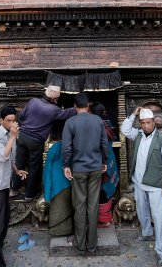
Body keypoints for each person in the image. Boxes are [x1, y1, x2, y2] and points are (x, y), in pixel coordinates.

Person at [121, 107, 162, 267]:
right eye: (143, 123)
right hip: (139, 182)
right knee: (142, 211)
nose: (146, 126)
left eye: (148, 123)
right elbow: (124, 129)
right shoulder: (138, 135)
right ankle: (147, 234)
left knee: (159, 218)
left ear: (154, 123)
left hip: (156, 184)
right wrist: (133, 114)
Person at [62, 93, 109, 256]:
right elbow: (104, 143)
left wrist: (66, 165)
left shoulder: (70, 122)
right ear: (88, 105)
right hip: (95, 168)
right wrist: (104, 161)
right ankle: (91, 244)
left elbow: (66, 147)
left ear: (75, 106)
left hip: (79, 169)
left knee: (79, 205)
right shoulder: (97, 120)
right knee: (93, 204)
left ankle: (80, 244)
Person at [10, 85, 76, 201]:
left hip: (23, 137)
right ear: (53, 99)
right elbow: (66, 114)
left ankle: (14, 189)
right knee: (34, 167)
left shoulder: (33, 101)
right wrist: (77, 108)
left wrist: (24, 127)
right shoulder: (54, 110)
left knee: (19, 162)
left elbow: (21, 116)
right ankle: (29, 195)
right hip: (35, 141)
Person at [0, 106, 28, 267]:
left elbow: (11, 159)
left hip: (3, 184)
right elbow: (3, 156)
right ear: (1, 121)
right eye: (8, 120)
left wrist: (17, 170)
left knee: (4, 219)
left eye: (14, 120)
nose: (12, 123)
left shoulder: (10, 135)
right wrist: (13, 138)